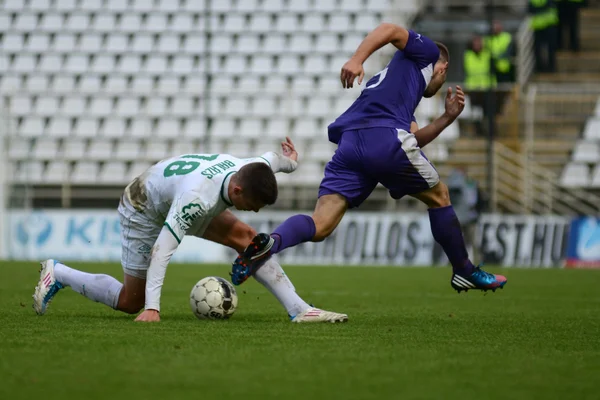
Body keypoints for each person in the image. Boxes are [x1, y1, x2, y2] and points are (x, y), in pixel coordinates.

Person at [232, 23, 507, 293]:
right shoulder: (428, 53)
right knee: (440, 196)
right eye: (443, 78)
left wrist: (447, 118)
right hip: (385, 139)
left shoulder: (394, 85)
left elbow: (413, 139)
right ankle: (464, 270)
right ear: (443, 68)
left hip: (351, 143)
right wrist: (356, 59)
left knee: (320, 224)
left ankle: (270, 242)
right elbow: (389, 29)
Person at [32, 138, 348, 323]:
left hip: (169, 190)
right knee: (132, 302)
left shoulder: (252, 166)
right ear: (237, 191)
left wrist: (291, 162)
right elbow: (163, 250)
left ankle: (300, 310)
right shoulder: (197, 198)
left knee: (251, 241)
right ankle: (58, 273)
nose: (255, 210)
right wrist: (153, 308)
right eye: (253, 204)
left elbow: (274, 160)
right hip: (142, 206)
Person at [529, 0, 559, 73]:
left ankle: (550, 67)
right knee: (538, 49)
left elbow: (533, 9)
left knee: (550, 48)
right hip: (540, 25)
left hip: (548, 24)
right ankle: (541, 67)